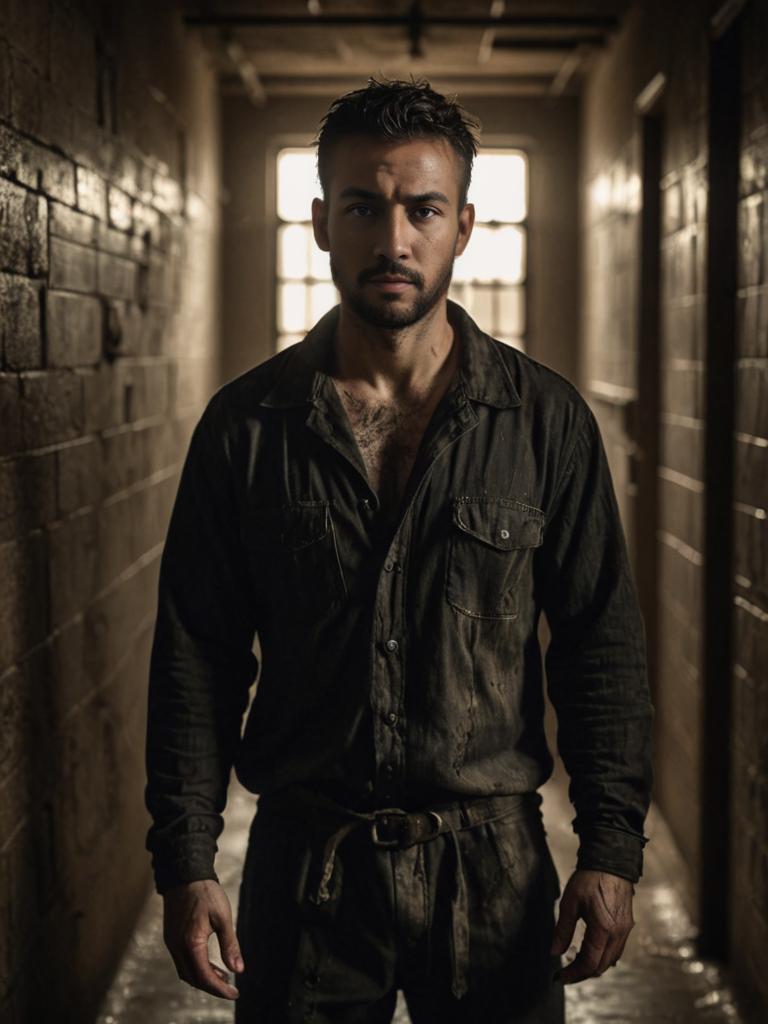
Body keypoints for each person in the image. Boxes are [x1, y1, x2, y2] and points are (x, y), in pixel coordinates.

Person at [145, 77, 653, 1023]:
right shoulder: (246, 429)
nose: (393, 240)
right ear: (321, 223)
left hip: (496, 877)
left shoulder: (543, 423)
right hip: (305, 874)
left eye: (422, 209)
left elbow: (599, 647)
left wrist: (611, 851)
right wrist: (186, 862)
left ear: (462, 225)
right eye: (363, 208)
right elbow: (195, 659)